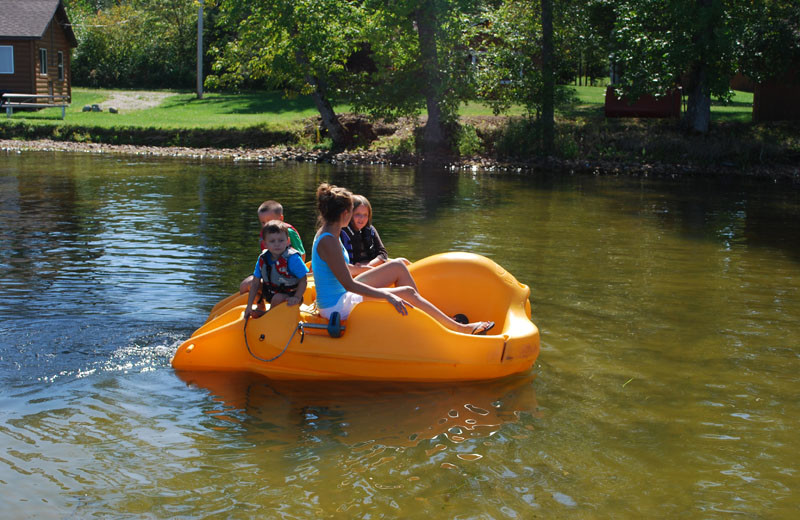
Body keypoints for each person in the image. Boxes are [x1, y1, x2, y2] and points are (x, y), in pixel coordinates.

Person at [311, 183, 494, 335]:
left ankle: (430, 320)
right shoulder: (329, 241)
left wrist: (377, 267)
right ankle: (459, 328)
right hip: (336, 305)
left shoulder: (329, 231)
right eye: (352, 212)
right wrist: (387, 295)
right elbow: (349, 284)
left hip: (341, 295)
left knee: (397, 266)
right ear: (344, 213)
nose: (353, 217)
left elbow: (342, 270)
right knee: (406, 292)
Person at [244, 220, 308, 320]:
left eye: (281, 240)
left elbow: (303, 280)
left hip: (290, 296)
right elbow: (256, 283)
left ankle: (266, 315)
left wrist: (297, 297)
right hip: (271, 291)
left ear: (288, 241)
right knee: (249, 283)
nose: (277, 244)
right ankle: (260, 306)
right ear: (265, 244)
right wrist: (248, 306)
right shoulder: (263, 258)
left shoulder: (293, 258)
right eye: (272, 241)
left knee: (277, 297)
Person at [239, 200, 305, 294]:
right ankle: (260, 304)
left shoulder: (288, 232)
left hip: (288, 276)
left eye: (270, 221)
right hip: (272, 274)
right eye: (263, 222)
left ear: (281, 218)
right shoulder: (266, 236)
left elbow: (302, 255)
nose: (266, 225)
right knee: (244, 285)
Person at [340, 194, 409, 275]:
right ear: (350, 214)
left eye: (365, 215)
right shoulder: (341, 232)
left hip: (370, 266)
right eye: (357, 214)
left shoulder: (370, 229)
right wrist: (363, 269)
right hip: (354, 272)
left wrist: (368, 266)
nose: (362, 219)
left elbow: (383, 254)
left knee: (403, 261)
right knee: (398, 264)